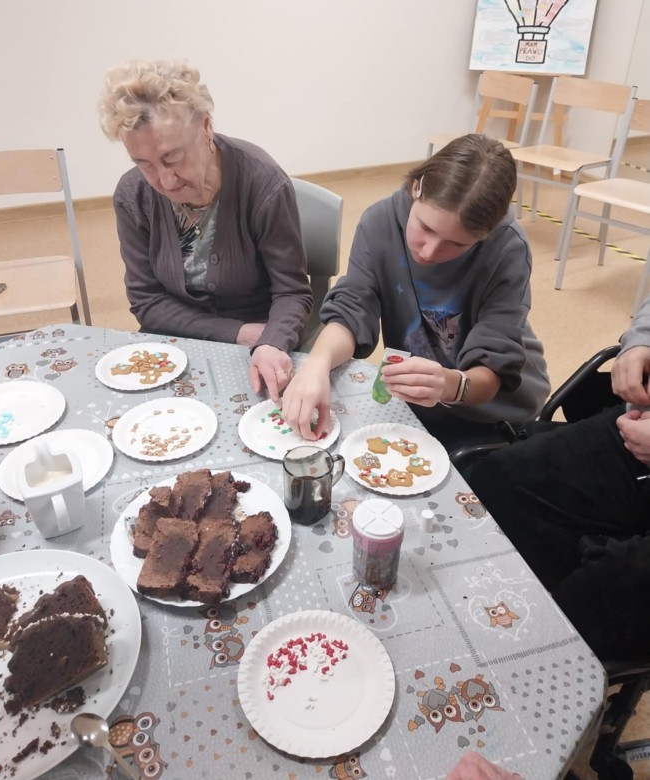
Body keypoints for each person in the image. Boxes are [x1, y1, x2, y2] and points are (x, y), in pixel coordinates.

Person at [281, 134, 549, 451]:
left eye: (457, 244)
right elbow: (352, 309)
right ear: (416, 186)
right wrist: (317, 363)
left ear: (485, 235)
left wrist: (451, 385)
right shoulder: (379, 222)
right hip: (420, 405)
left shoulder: (507, 248)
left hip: (495, 415)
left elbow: (493, 369)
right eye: (426, 227)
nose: (430, 251)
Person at [98, 60, 313, 401]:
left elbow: (292, 293)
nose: (165, 180)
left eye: (173, 158)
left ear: (206, 127)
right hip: (174, 343)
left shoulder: (264, 185)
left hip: (260, 347)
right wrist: (236, 332)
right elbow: (147, 301)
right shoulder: (133, 195)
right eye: (144, 164)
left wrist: (270, 342)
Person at [468, 295, 650, 663]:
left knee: (607, 585)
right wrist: (640, 342)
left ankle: (538, 663)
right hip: (638, 427)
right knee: (499, 480)